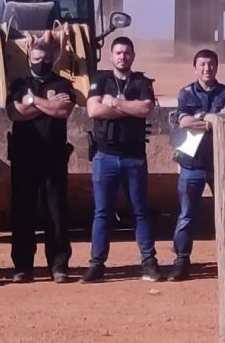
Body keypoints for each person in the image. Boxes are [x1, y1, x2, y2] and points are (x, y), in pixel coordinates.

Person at [5, 33, 79, 282]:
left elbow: (63, 110)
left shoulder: (62, 84)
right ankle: (23, 266)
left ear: (52, 59)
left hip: (53, 158)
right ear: (29, 59)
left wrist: (33, 101)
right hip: (23, 158)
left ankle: (59, 266)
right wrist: (46, 104)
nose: (41, 63)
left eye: (46, 59)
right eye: (37, 59)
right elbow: (15, 113)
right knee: (22, 212)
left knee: (56, 213)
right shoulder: (18, 84)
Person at [86, 35, 160, 281]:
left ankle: (149, 262)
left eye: (126, 53)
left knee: (140, 211)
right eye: (118, 52)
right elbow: (93, 109)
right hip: (105, 156)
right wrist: (129, 108)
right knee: (102, 212)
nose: (122, 57)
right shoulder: (100, 80)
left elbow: (146, 109)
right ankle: (97, 264)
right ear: (111, 56)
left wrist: (116, 103)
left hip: (133, 157)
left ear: (133, 56)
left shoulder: (141, 82)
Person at [170, 48, 225, 282]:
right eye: (202, 64)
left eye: (211, 64)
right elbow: (184, 122)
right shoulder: (186, 93)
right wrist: (211, 120)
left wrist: (200, 120)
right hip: (192, 163)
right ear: (195, 68)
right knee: (186, 215)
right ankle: (181, 261)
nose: (207, 68)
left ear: (216, 67)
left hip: (219, 163)